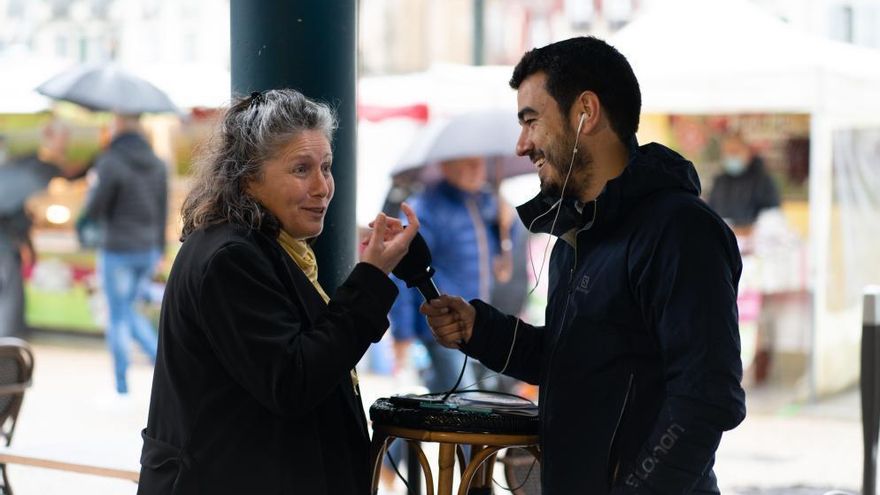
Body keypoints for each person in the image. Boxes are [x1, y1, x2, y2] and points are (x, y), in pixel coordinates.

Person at [421, 37, 746, 494]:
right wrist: (482, 330)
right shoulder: (577, 237)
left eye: (531, 121)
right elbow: (573, 362)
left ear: (585, 112)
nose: (521, 145)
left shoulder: (679, 229)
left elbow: (707, 396)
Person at [137, 89, 419, 495]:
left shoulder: (267, 247)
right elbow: (293, 381)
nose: (322, 187)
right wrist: (371, 276)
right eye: (301, 169)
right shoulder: (231, 257)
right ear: (248, 176)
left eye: (326, 167)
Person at [77, 113, 167, 397]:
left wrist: (92, 189)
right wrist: (159, 249)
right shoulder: (158, 163)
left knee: (117, 315)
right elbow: (162, 208)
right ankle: (159, 363)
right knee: (129, 309)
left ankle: (121, 383)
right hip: (147, 249)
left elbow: (95, 208)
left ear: (116, 131)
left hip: (117, 248)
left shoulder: (110, 162)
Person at [0, 120, 74, 337]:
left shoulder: (9, 180)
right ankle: (6, 351)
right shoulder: (9, 182)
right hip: (4, 251)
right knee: (8, 303)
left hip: (7, 249)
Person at [707, 132, 780, 233]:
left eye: (735, 151)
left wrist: (746, 231)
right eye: (728, 152)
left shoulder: (763, 180)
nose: (731, 156)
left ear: (748, 153)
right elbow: (711, 212)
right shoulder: (719, 181)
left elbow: (772, 216)